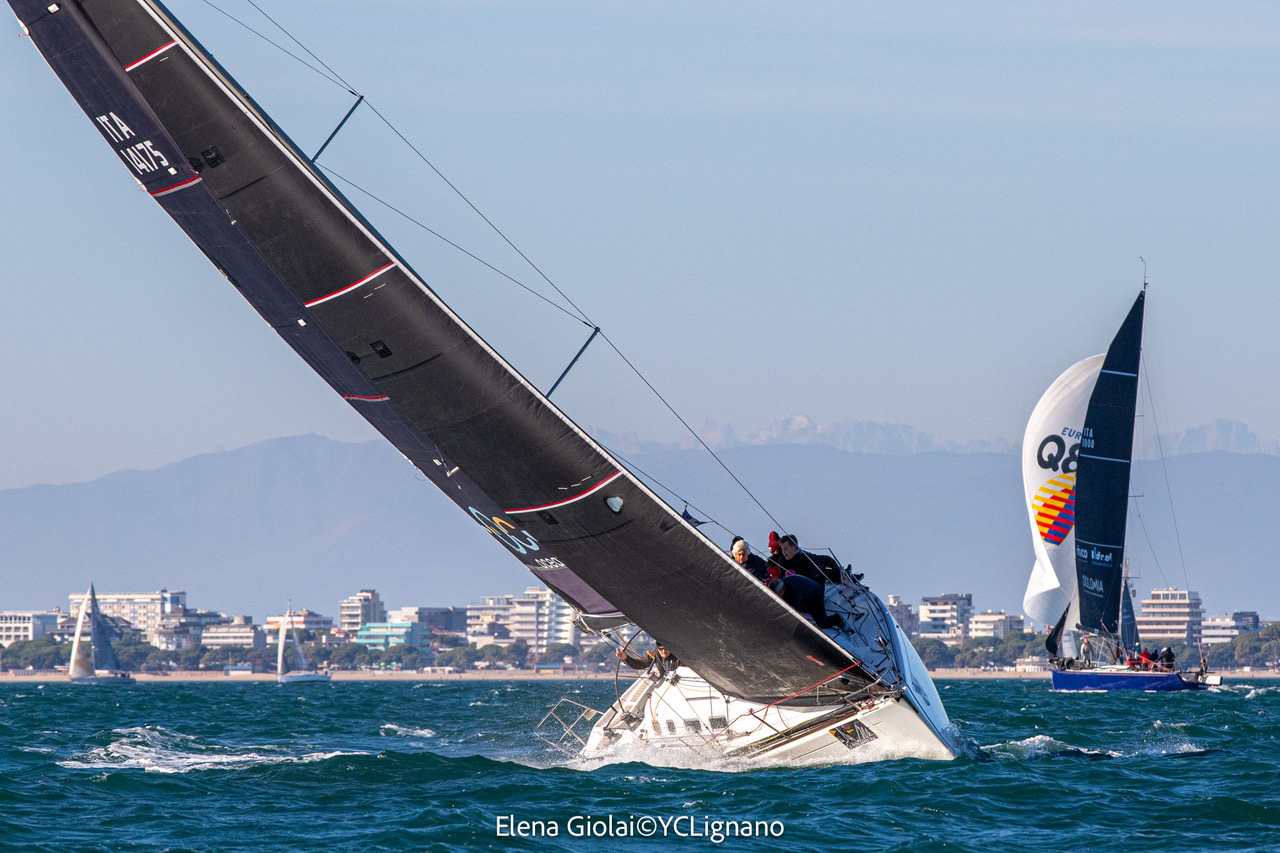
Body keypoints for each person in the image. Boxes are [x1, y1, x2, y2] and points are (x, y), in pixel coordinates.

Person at [774, 534, 843, 584]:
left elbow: (827, 559)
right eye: (782, 549)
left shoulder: (805, 557)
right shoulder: (782, 561)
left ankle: (841, 576)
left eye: (786, 549)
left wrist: (837, 575)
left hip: (814, 583)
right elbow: (781, 578)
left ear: (795, 548)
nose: (784, 552)